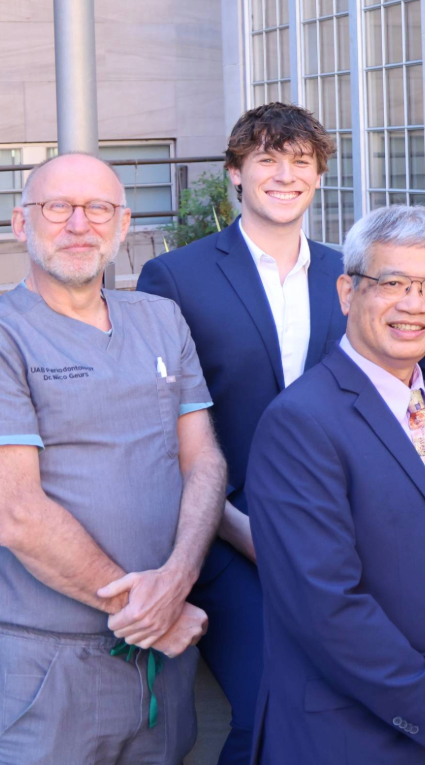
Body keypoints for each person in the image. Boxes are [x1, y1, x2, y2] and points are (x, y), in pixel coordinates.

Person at [0, 153, 225, 764]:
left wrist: (177, 580)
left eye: (99, 208)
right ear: (21, 223)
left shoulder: (161, 319)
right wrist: (153, 614)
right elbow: (17, 515)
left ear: (123, 225)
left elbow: (204, 463)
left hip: (157, 666)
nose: (79, 224)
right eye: (57, 207)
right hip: (40, 669)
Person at [249, 205, 425, 763]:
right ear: (347, 293)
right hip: (356, 735)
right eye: (392, 282)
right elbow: (325, 604)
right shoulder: (301, 421)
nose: (414, 304)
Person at [133, 103, 347, 765]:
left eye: (300, 162)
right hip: (225, 542)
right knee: (267, 708)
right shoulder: (177, 277)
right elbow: (155, 426)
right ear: (235, 174)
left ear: (318, 177)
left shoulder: (348, 274)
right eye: (267, 160)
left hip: (333, 539)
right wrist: (229, 525)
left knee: (346, 706)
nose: (285, 175)